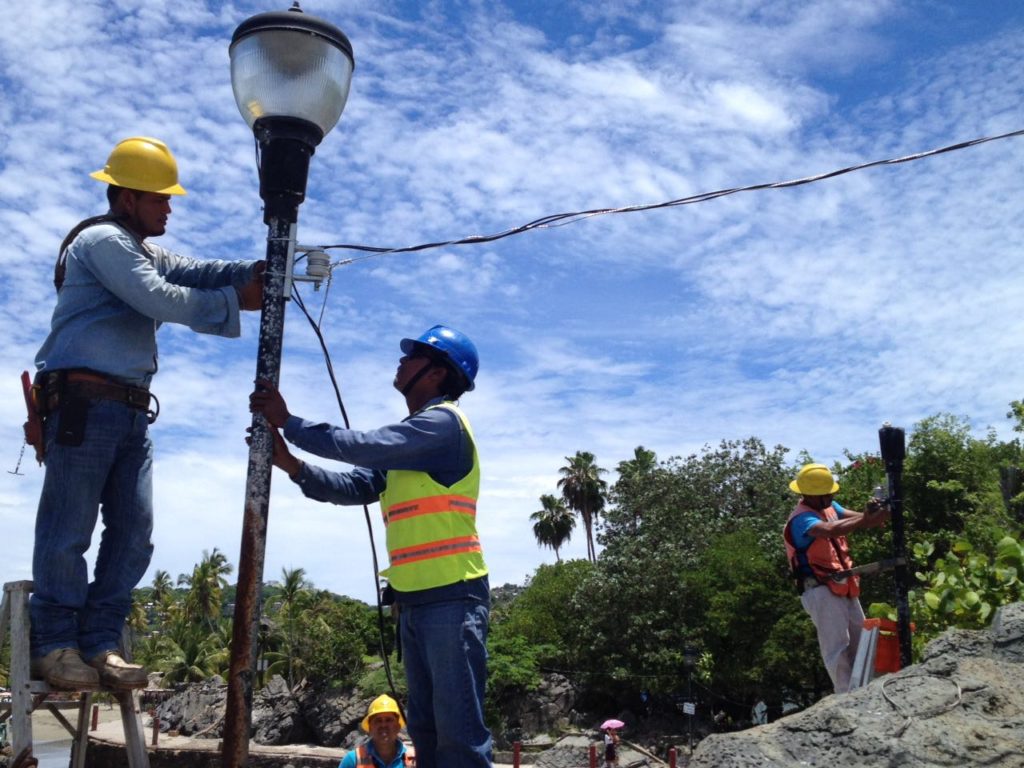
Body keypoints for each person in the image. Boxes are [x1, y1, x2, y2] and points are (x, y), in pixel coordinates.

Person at [29, 136, 264, 691]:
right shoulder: (103, 241)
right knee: (69, 530)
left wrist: (256, 267)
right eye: (160, 199)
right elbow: (159, 296)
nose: (169, 208)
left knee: (134, 532)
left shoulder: (138, 248)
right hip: (85, 403)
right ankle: (56, 645)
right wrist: (237, 301)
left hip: (129, 411)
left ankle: (99, 643)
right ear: (128, 197)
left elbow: (195, 270)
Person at [249, 325, 491, 768]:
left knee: (458, 735)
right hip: (416, 605)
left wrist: (290, 423)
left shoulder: (442, 425)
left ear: (438, 372)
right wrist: (292, 466)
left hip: (453, 598)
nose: (401, 362)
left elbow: (364, 446)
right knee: (429, 733)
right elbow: (355, 485)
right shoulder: (413, 444)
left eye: (412, 356)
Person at [783, 462, 890, 693]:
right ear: (813, 495)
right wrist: (867, 519)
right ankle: (845, 698)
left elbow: (861, 519)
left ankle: (863, 694)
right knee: (837, 649)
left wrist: (878, 513)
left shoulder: (829, 507)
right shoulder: (801, 519)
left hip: (841, 586)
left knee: (861, 643)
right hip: (820, 590)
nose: (832, 495)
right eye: (827, 492)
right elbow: (831, 530)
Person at [340, 694, 411, 768]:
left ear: (398, 726)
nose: (383, 725)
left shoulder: (414, 759)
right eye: (378, 720)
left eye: (389, 720)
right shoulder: (352, 761)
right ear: (370, 728)